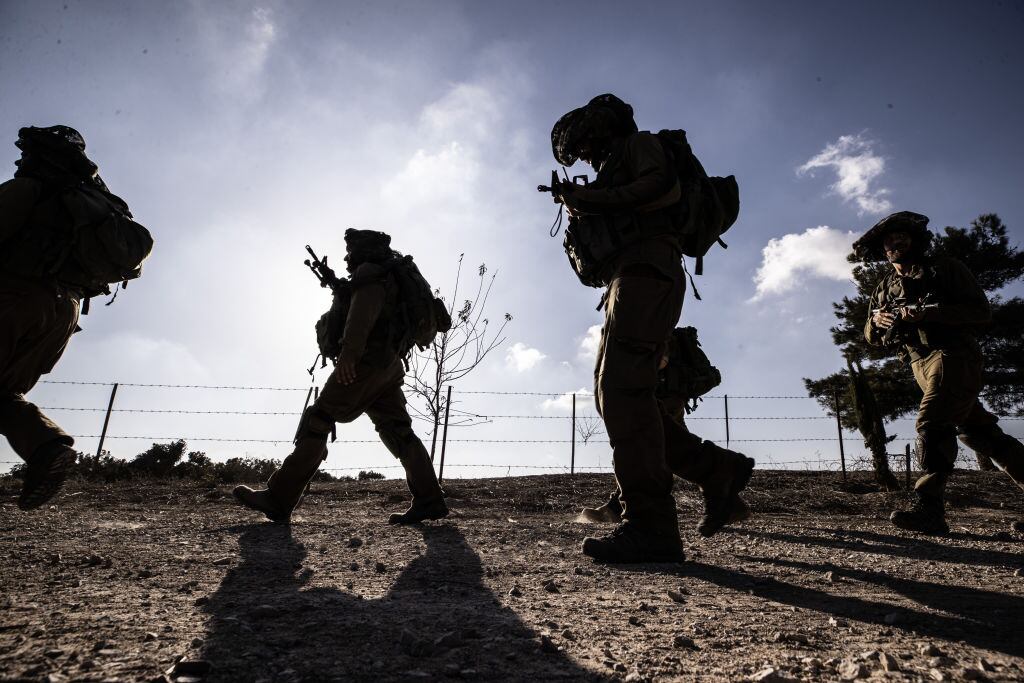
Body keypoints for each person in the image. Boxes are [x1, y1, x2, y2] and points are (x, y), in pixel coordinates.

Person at [549, 94, 754, 563]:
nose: (583, 157)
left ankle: (653, 526)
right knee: (621, 395)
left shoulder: (639, 145)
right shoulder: (614, 165)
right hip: (630, 276)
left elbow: (661, 188)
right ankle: (715, 468)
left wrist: (590, 198)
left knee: (622, 393)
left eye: (583, 145)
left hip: (647, 270)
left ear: (597, 129)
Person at [233, 229, 448, 525]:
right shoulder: (394, 275)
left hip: (364, 362)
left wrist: (349, 354)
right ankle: (429, 499)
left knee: (319, 418)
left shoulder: (371, 275)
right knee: (397, 429)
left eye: (351, 252)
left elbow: (363, 314)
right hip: (389, 365)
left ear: (362, 250)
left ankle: (279, 497)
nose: (347, 258)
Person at [1, 125, 149, 510]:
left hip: (17, 296)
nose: (20, 159)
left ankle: (45, 447)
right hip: (63, 313)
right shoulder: (92, 203)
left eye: (26, 152)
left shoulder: (31, 189)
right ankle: (46, 447)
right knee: (2, 395)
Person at [857, 211, 1024, 534]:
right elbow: (870, 335)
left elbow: (980, 312)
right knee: (981, 433)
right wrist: (876, 324)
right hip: (919, 364)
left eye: (903, 235)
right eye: (890, 239)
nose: (897, 241)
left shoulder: (945, 268)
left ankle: (929, 509)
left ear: (916, 239)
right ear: (883, 248)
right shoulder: (884, 287)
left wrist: (929, 313)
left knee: (933, 423)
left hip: (954, 354)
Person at [580, 331, 751, 526]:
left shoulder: (652, 326)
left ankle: (616, 509)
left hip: (663, 396)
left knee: (646, 448)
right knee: (670, 447)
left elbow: (660, 360)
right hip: (666, 396)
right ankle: (730, 501)